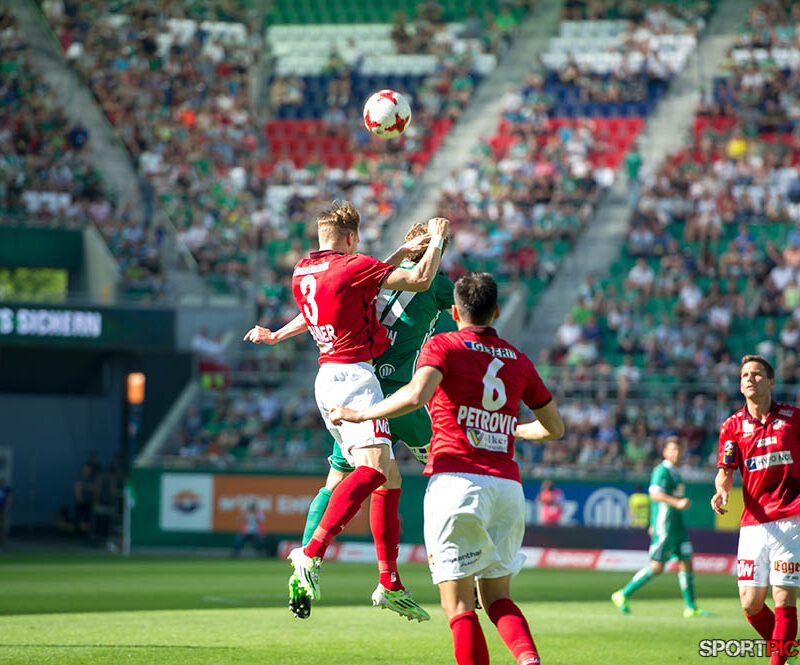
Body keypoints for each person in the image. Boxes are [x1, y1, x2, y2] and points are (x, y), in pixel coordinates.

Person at [331, 272, 565, 665]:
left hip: (456, 482)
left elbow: (416, 395)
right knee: (498, 597)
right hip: (507, 487)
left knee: (459, 606)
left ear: (454, 311)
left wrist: (361, 412)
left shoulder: (444, 345)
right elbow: (555, 428)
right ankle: (529, 660)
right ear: (496, 311)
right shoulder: (518, 359)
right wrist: (512, 430)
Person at [244, 200, 449, 623]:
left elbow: (334, 297)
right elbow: (420, 278)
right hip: (358, 381)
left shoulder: (303, 269)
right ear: (352, 240)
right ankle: (312, 554)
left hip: (326, 378)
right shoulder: (357, 267)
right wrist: (439, 238)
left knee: (379, 475)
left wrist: (277, 335)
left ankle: (389, 582)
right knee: (376, 471)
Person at [294, 221, 455, 619]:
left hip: (355, 394)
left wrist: (277, 334)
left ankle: (317, 563)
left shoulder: (368, 274)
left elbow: (323, 309)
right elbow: (462, 329)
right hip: (397, 397)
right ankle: (461, 569)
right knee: (448, 474)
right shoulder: (436, 282)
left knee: (339, 482)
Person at [712, 355, 800, 665]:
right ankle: (787, 647)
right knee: (750, 603)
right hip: (754, 522)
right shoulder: (731, 426)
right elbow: (725, 470)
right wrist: (721, 490)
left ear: (771, 381)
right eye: (745, 375)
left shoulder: (794, 418)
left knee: (783, 596)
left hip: (791, 518)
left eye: (758, 374)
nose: (750, 379)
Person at [611, 436, 711, 618]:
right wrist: (677, 503)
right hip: (665, 526)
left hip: (678, 526)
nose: (676, 453)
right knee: (657, 567)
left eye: (679, 449)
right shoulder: (661, 471)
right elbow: (654, 494)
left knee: (687, 562)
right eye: (672, 449)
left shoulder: (676, 472)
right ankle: (622, 594)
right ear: (664, 452)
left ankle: (691, 607)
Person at [0, 478, 11, 551]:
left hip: (2, 511)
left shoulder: (5, 489)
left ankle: (2, 544)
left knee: (2, 527)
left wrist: (6, 508)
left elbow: (8, 499)